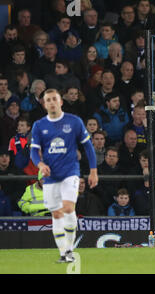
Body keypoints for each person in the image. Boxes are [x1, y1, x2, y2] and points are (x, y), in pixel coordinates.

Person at [30, 88, 98, 263]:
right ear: (45, 105)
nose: (52, 102)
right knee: (57, 215)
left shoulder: (74, 122)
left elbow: (88, 147)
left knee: (68, 208)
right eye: (48, 100)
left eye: (54, 99)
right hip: (50, 176)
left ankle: (69, 250)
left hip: (70, 172)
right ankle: (64, 252)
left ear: (60, 102)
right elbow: (33, 152)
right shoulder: (39, 125)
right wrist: (40, 164)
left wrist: (93, 171)